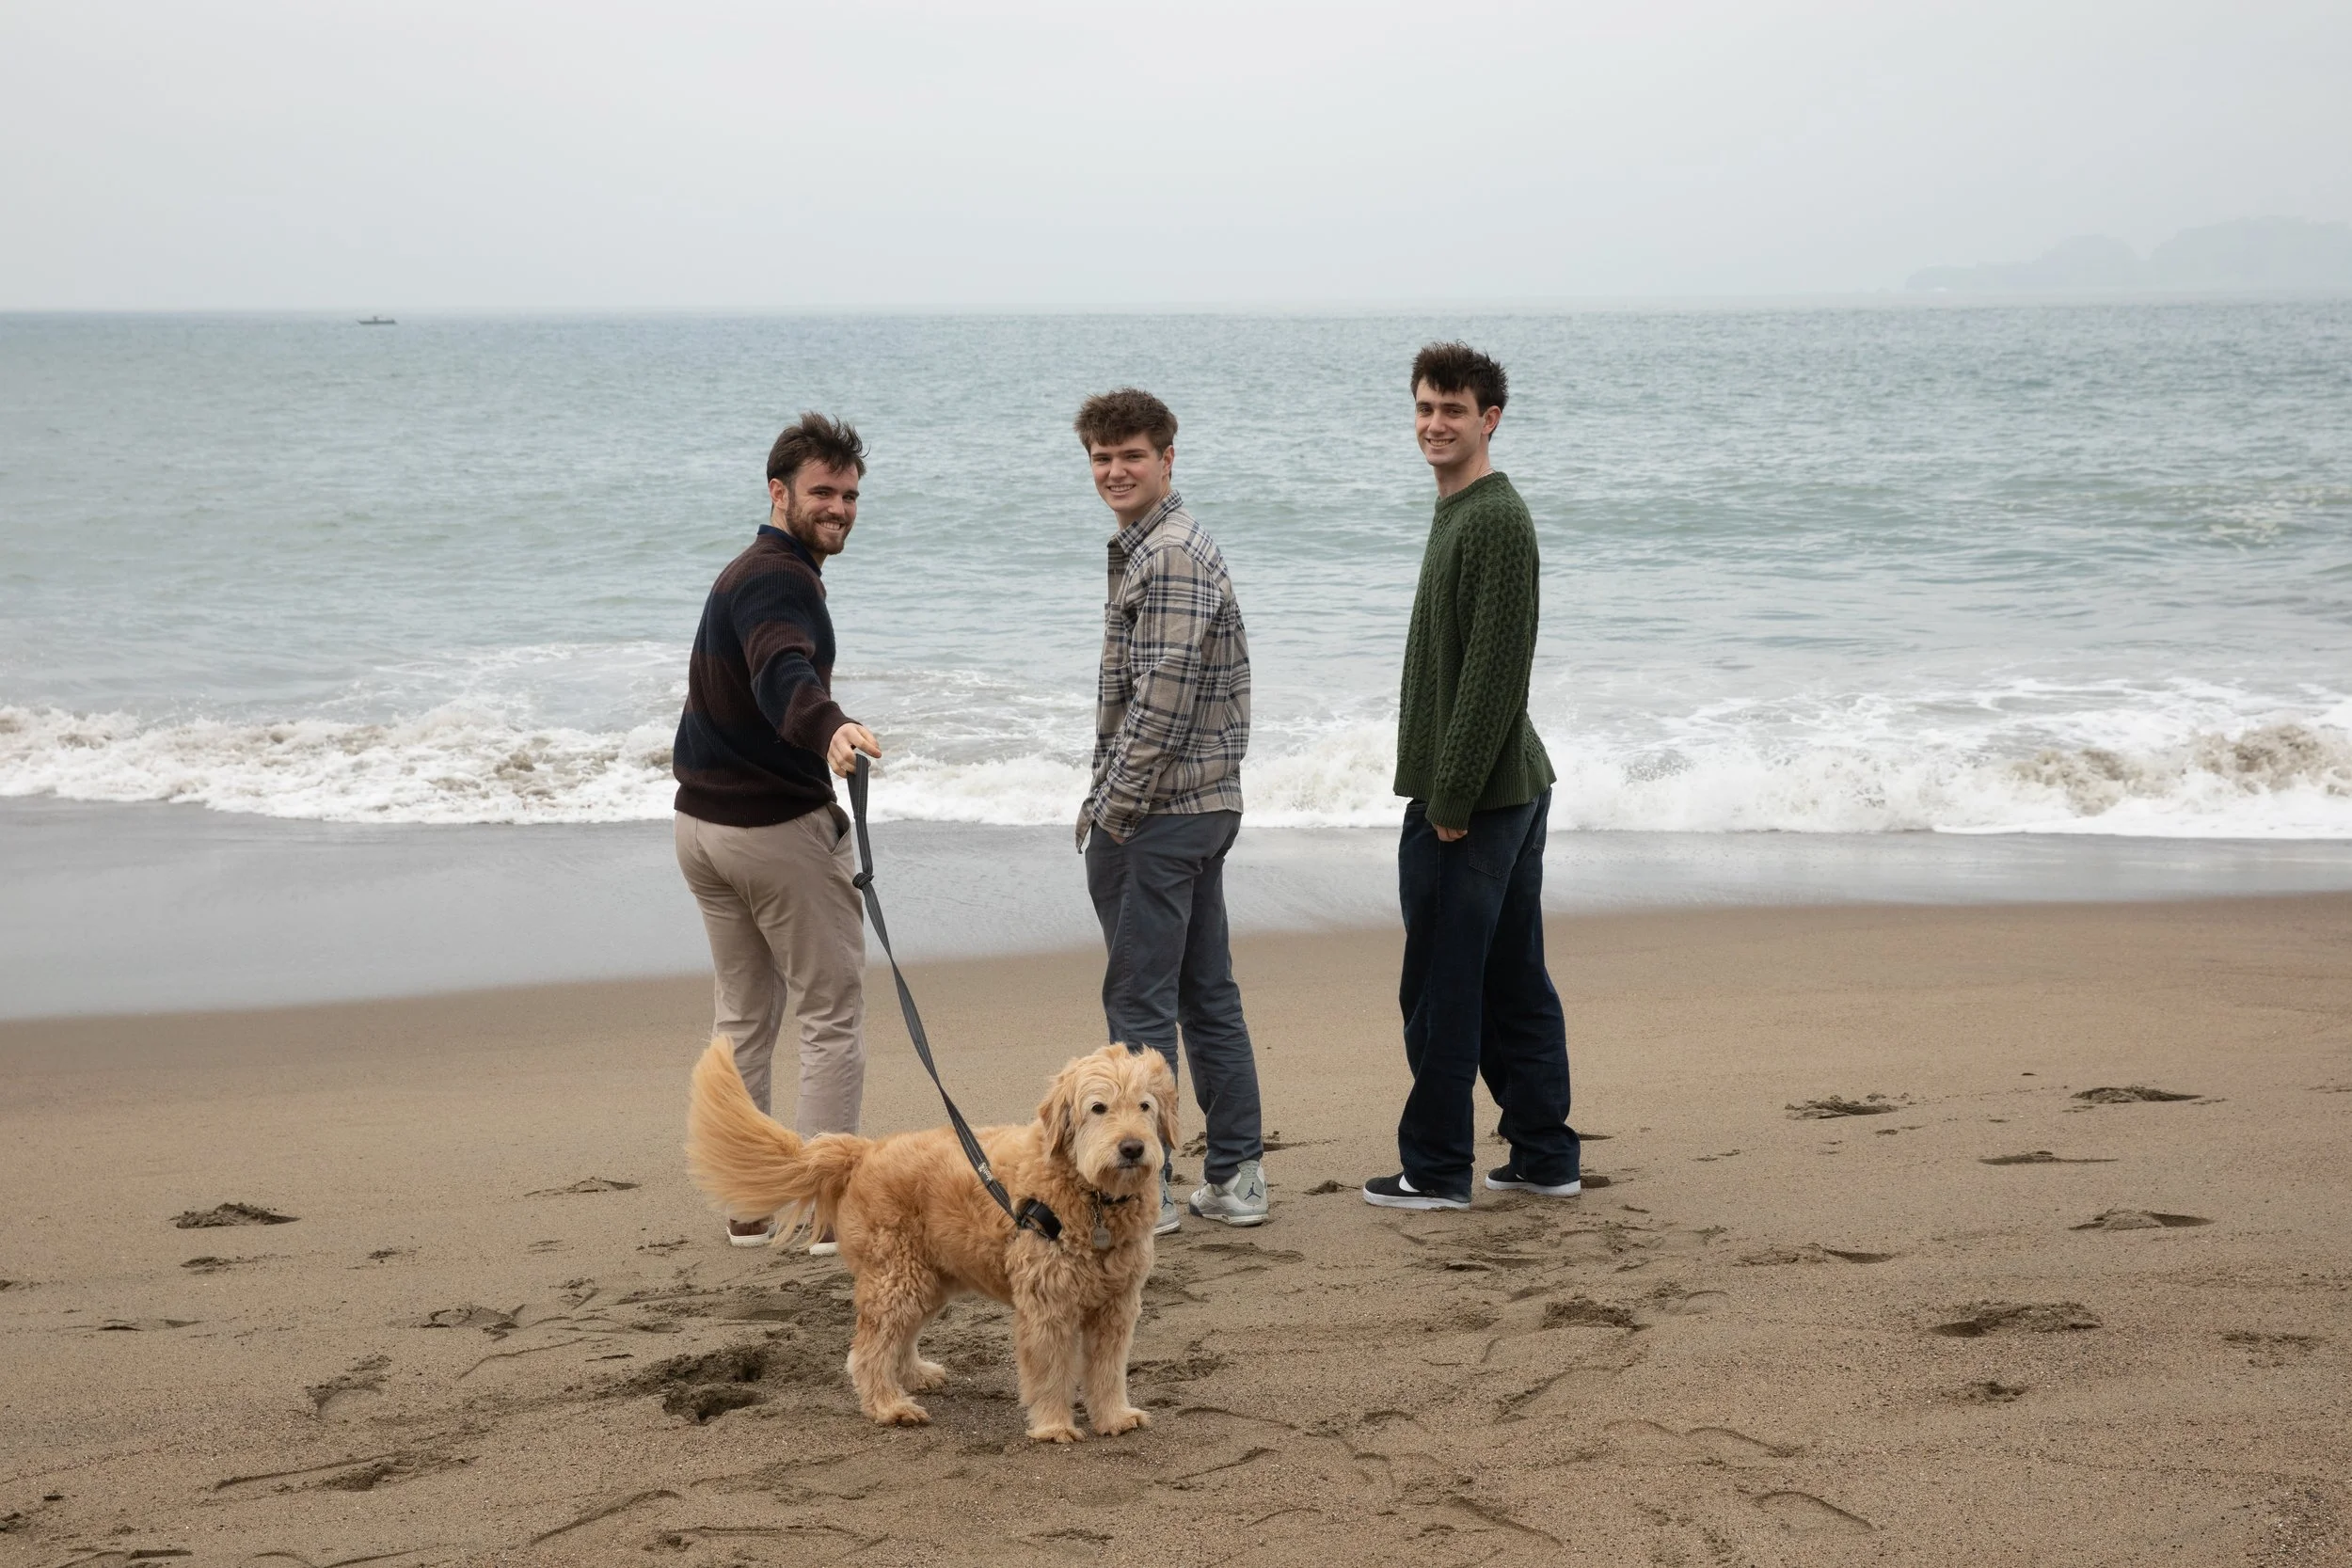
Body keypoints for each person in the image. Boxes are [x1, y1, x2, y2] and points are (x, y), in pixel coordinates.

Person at [1362, 343, 1581, 1212]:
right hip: (1506, 787)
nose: (1434, 424)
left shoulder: (1492, 517)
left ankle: (1437, 1167)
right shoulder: (1457, 507)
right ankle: (1543, 1154)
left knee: (1441, 987)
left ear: (1490, 419)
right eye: (1424, 407)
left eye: (1453, 410)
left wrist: (1448, 798)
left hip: (1478, 799)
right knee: (1510, 977)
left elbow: (1496, 671)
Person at [673, 411, 882, 1249]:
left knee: (744, 1016)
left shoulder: (750, 570)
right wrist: (827, 724)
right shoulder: (777, 578)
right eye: (822, 492)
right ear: (778, 492)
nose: (838, 507)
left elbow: (761, 672)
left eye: (850, 494)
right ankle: (828, 1211)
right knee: (830, 1012)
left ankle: (748, 1206)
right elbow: (781, 665)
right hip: (770, 832)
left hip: (701, 830)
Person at [1074, 388, 1267, 1231]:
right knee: (1202, 992)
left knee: (1142, 1007)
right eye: (1102, 458)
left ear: (1167, 459)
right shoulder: (1149, 547)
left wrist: (1110, 812)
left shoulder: (1173, 554)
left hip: (1164, 811)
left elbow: (1162, 704)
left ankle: (1147, 1197)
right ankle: (1235, 1179)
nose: (1115, 471)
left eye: (1132, 456)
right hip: (1190, 806)